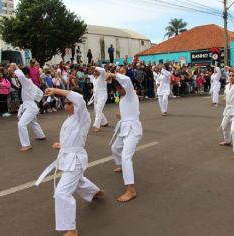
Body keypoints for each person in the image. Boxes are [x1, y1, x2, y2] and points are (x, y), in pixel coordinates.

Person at [35, 87, 103, 236]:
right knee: (77, 181)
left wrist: (55, 89)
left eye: (69, 103)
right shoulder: (70, 118)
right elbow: (73, 138)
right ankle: (95, 191)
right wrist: (61, 145)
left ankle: (71, 229)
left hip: (76, 159)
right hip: (68, 157)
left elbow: (78, 98)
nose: (66, 106)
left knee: (62, 193)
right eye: (65, 103)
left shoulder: (82, 115)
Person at [108, 67, 142, 202]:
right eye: (117, 88)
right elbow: (132, 112)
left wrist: (113, 74)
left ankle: (131, 190)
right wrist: (121, 116)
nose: (118, 90)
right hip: (124, 129)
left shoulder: (130, 93)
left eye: (119, 88)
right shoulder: (123, 98)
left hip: (133, 131)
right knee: (115, 149)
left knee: (126, 156)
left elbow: (127, 80)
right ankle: (122, 167)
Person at [8, 64, 46, 152]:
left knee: (21, 124)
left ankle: (26, 144)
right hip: (30, 105)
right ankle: (41, 135)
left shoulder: (27, 82)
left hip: (30, 106)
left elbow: (21, 76)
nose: (17, 77)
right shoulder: (29, 83)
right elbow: (40, 93)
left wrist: (15, 67)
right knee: (33, 122)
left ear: (27, 75)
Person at [91, 66, 108, 132]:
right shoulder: (94, 79)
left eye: (96, 71)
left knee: (98, 110)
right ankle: (104, 122)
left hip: (102, 96)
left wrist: (95, 67)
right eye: (94, 71)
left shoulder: (102, 76)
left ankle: (97, 126)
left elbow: (103, 70)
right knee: (97, 110)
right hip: (96, 96)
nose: (94, 72)